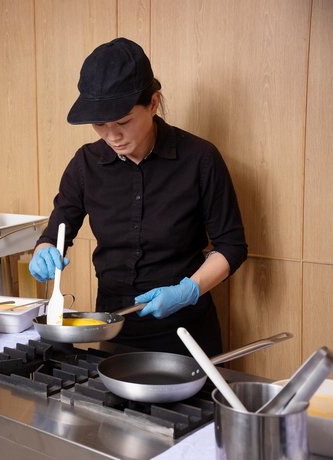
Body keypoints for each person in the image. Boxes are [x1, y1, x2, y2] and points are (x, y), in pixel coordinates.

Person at [29, 38, 247, 356]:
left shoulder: (200, 158)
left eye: (123, 122)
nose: (112, 135)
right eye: (99, 124)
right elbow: (56, 233)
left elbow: (231, 246)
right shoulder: (86, 164)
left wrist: (189, 290)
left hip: (186, 330)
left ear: (153, 103)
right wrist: (44, 250)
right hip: (114, 328)